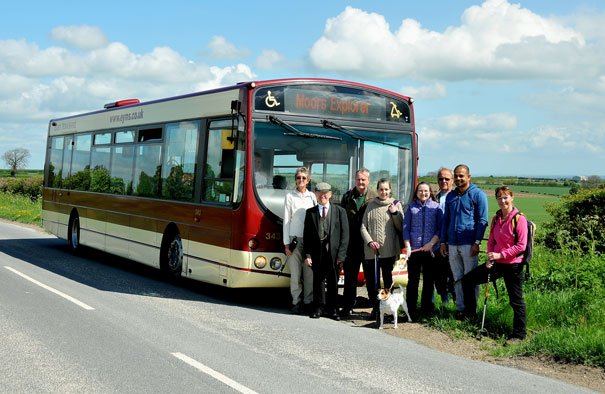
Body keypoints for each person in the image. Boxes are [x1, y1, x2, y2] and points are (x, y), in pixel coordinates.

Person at [461, 186, 527, 340]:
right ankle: (470, 316)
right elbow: (491, 240)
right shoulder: (496, 218)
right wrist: (491, 256)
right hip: (496, 262)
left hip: (513, 264)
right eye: (499, 198)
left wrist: (500, 254)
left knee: (516, 300)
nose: (502, 201)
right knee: (468, 280)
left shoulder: (520, 219)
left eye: (505, 197)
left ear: (512, 198)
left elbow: (521, 246)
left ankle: (519, 335)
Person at [439, 164, 488, 319]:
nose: (459, 178)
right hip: (452, 244)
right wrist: (442, 241)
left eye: (462, 175)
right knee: (457, 278)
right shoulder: (451, 196)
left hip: (469, 244)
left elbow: (483, 220)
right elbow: (446, 220)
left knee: (470, 278)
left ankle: (471, 310)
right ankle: (460, 309)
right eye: (457, 176)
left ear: (469, 176)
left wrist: (477, 242)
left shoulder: (478, 195)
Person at [303, 182, 349, 320]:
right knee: (318, 281)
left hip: (334, 253)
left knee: (333, 280)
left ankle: (333, 309)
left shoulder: (340, 211)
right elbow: (307, 236)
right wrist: (307, 255)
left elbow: (345, 235)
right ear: (316, 195)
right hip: (317, 253)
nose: (323, 195)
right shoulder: (310, 212)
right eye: (319, 193)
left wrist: (341, 255)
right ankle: (318, 308)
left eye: (325, 193)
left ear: (330, 194)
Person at [360, 178, 403, 319]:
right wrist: (370, 241)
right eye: (381, 189)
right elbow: (363, 226)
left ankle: (389, 309)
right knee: (372, 281)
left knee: (387, 281)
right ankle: (375, 308)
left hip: (388, 250)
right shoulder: (370, 205)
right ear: (377, 190)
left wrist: (395, 213)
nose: (383, 192)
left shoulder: (395, 204)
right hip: (371, 251)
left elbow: (401, 227)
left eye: (386, 189)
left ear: (390, 190)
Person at [340, 168, 377, 317]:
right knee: (350, 277)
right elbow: (342, 219)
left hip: (368, 243)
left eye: (363, 179)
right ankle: (347, 306)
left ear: (368, 181)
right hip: (351, 244)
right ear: (354, 180)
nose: (360, 182)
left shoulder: (375, 198)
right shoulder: (347, 197)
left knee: (371, 277)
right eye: (358, 179)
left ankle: (376, 307)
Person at [403, 182, 442, 319]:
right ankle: (410, 311)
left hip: (430, 250)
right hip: (414, 250)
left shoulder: (436, 208)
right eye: (420, 191)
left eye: (426, 191)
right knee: (412, 281)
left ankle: (426, 311)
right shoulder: (411, 207)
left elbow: (440, 229)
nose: (423, 193)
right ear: (416, 192)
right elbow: (406, 228)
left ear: (430, 192)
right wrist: (407, 246)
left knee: (428, 280)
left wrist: (431, 244)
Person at [283, 167, 317, 315]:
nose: (301, 180)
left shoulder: (312, 197)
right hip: (294, 239)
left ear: (308, 180)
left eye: (304, 178)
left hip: (309, 240)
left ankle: (308, 302)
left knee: (309, 273)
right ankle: (296, 302)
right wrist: (286, 244)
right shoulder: (290, 196)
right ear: (295, 180)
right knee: (295, 273)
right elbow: (286, 220)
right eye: (298, 178)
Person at [433, 167, 456, 304]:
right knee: (439, 276)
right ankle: (444, 304)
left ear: (452, 180)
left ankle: (456, 305)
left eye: (447, 178)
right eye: (441, 178)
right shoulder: (433, 198)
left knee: (453, 275)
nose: (444, 181)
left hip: (452, 242)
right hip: (436, 243)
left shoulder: (455, 197)